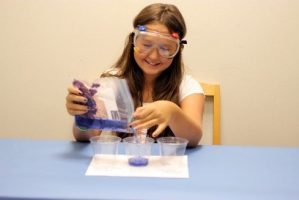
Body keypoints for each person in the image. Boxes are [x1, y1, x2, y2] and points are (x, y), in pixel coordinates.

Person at [65, 3, 205, 147]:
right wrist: (83, 117)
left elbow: (193, 140)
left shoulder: (188, 86)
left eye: (165, 48)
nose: (154, 56)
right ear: (133, 41)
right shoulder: (113, 81)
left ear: (178, 50)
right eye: (146, 45)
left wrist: (172, 112)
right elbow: (85, 137)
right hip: (122, 165)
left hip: (167, 166)